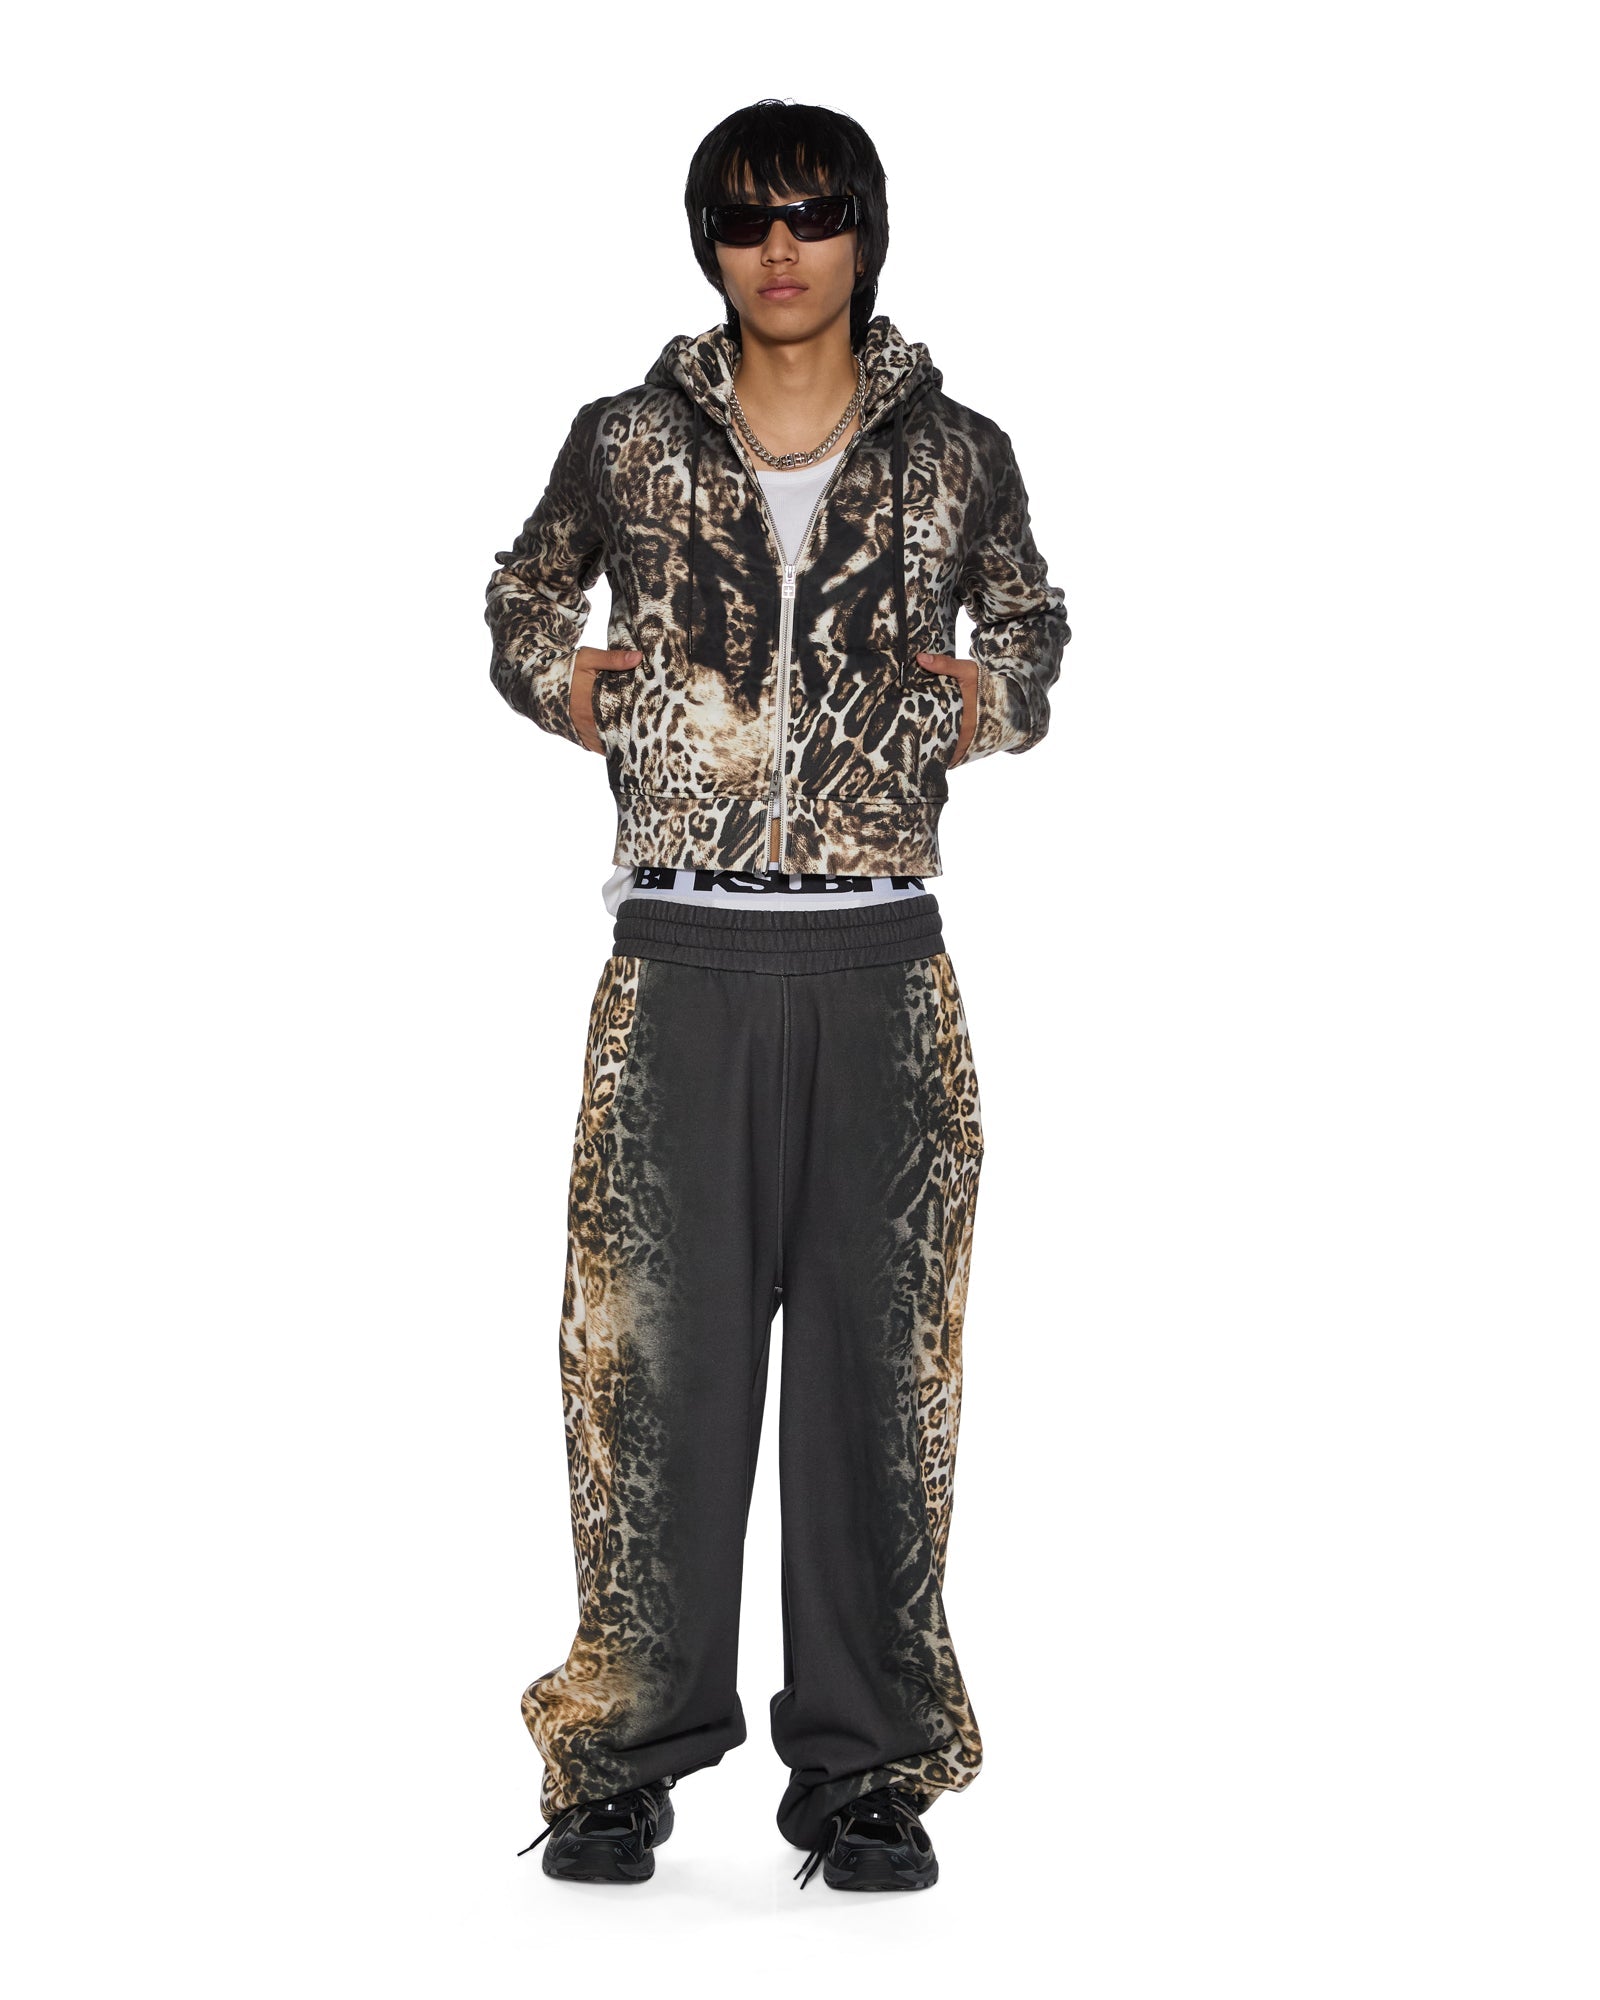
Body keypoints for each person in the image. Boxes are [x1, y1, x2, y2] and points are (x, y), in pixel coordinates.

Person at [485, 98, 1070, 1892]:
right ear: (711, 243)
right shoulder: (625, 440)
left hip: (884, 966)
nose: (783, 249)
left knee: (880, 1387)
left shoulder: (957, 453)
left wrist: (975, 704)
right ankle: (619, 1755)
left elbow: (1032, 634)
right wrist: (581, 689)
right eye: (749, 220)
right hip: (681, 964)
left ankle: (866, 1767)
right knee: (648, 1377)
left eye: (815, 213)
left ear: (866, 232)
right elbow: (523, 600)